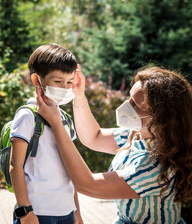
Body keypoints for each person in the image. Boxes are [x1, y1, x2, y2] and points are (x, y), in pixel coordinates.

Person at [36, 65, 192, 224]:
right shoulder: (136, 134)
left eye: (135, 105)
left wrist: (56, 125)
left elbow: (87, 185)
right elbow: (94, 137)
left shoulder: (154, 167)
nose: (126, 105)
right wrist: (79, 95)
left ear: (161, 118)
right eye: (129, 97)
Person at [10, 44, 83, 224]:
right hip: (37, 212)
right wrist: (25, 212)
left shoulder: (65, 119)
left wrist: (77, 211)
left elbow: (71, 169)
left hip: (67, 212)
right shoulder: (27, 116)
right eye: (58, 82)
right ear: (37, 80)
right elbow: (15, 166)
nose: (65, 88)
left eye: (69, 82)